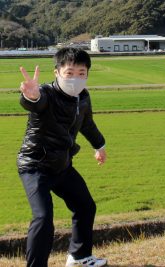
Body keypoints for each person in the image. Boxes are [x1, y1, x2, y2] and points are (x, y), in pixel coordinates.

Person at [17, 48, 108, 267]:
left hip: (62, 165)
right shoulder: (47, 94)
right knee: (43, 218)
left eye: (81, 72)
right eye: (69, 72)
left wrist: (100, 145)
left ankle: (79, 257)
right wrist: (31, 96)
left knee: (85, 206)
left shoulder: (83, 97)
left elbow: (87, 124)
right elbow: (36, 103)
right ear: (57, 72)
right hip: (35, 165)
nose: (75, 78)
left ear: (87, 74)